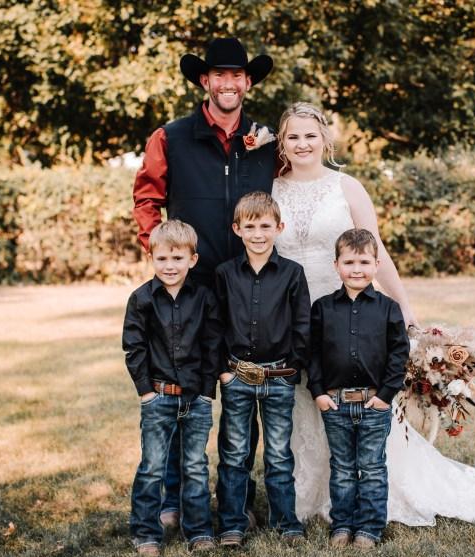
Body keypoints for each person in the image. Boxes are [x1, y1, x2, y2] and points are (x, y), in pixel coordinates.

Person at [272, 102, 475, 534]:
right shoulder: (271, 189)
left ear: (325, 139)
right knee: (308, 400)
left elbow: (376, 250)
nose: (302, 144)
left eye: (310, 135)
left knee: (362, 397)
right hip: (291, 316)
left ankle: (372, 491)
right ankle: (311, 491)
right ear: (282, 142)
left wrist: (404, 306)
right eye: (293, 136)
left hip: (351, 311)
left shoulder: (347, 187)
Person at [132, 37, 275, 528]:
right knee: (179, 393)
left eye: (237, 75)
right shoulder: (170, 137)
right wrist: (163, 254)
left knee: (242, 396)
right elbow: (147, 200)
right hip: (187, 291)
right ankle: (173, 500)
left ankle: (237, 500)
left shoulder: (266, 140)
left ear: (247, 82)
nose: (228, 83)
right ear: (204, 81)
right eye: (219, 75)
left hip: (250, 289)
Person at [214, 192, 310, 546]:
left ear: (279, 228)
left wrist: (292, 366)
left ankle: (286, 522)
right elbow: (215, 324)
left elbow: (302, 323)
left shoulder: (292, 273)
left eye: (265, 226)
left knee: (279, 454)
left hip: (278, 377)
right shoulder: (225, 273)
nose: (258, 234)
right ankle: (232, 523)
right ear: (237, 229)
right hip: (237, 375)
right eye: (250, 226)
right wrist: (223, 371)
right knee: (234, 454)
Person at [121, 220, 222, 555]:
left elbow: (212, 346)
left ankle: (199, 531)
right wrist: (146, 392)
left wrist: (206, 391)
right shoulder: (141, 299)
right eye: (162, 258)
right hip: (159, 395)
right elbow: (134, 348)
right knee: (152, 466)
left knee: (195, 466)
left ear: (192, 259)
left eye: (177, 258)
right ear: (151, 258)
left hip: (196, 398)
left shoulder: (204, 298)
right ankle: (146, 532)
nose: (170, 266)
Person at [308, 228, 410, 549]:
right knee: (341, 468)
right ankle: (342, 524)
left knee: (372, 468)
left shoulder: (388, 308)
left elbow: (399, 355)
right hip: (335, 403)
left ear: (376, 265)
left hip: (373, 403)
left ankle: (369, 527)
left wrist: (385, 395)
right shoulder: (322, 308)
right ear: (336, 265)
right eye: (349, 262)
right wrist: (318, 392)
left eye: (364, 262)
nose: (356, 269)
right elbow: (312, 354)